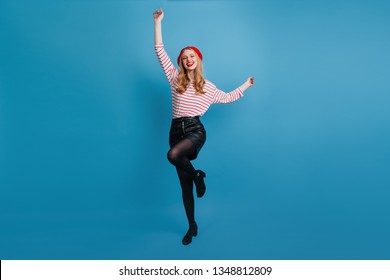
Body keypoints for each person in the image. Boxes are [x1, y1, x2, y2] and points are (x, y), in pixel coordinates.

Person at [153, 8, 254, 245]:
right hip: (175, 130)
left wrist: (246, 85)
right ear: (181, 62)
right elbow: (159, 51)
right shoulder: (174, 79)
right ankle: (192, 226)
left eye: (192, 56)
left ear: (198, 61)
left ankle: (199, 175)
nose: (188, 59)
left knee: (173, 155)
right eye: (185, 57)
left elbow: (228, 97)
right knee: (184, 187)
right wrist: (158, 23)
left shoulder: (207, 86)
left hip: (195, 131)